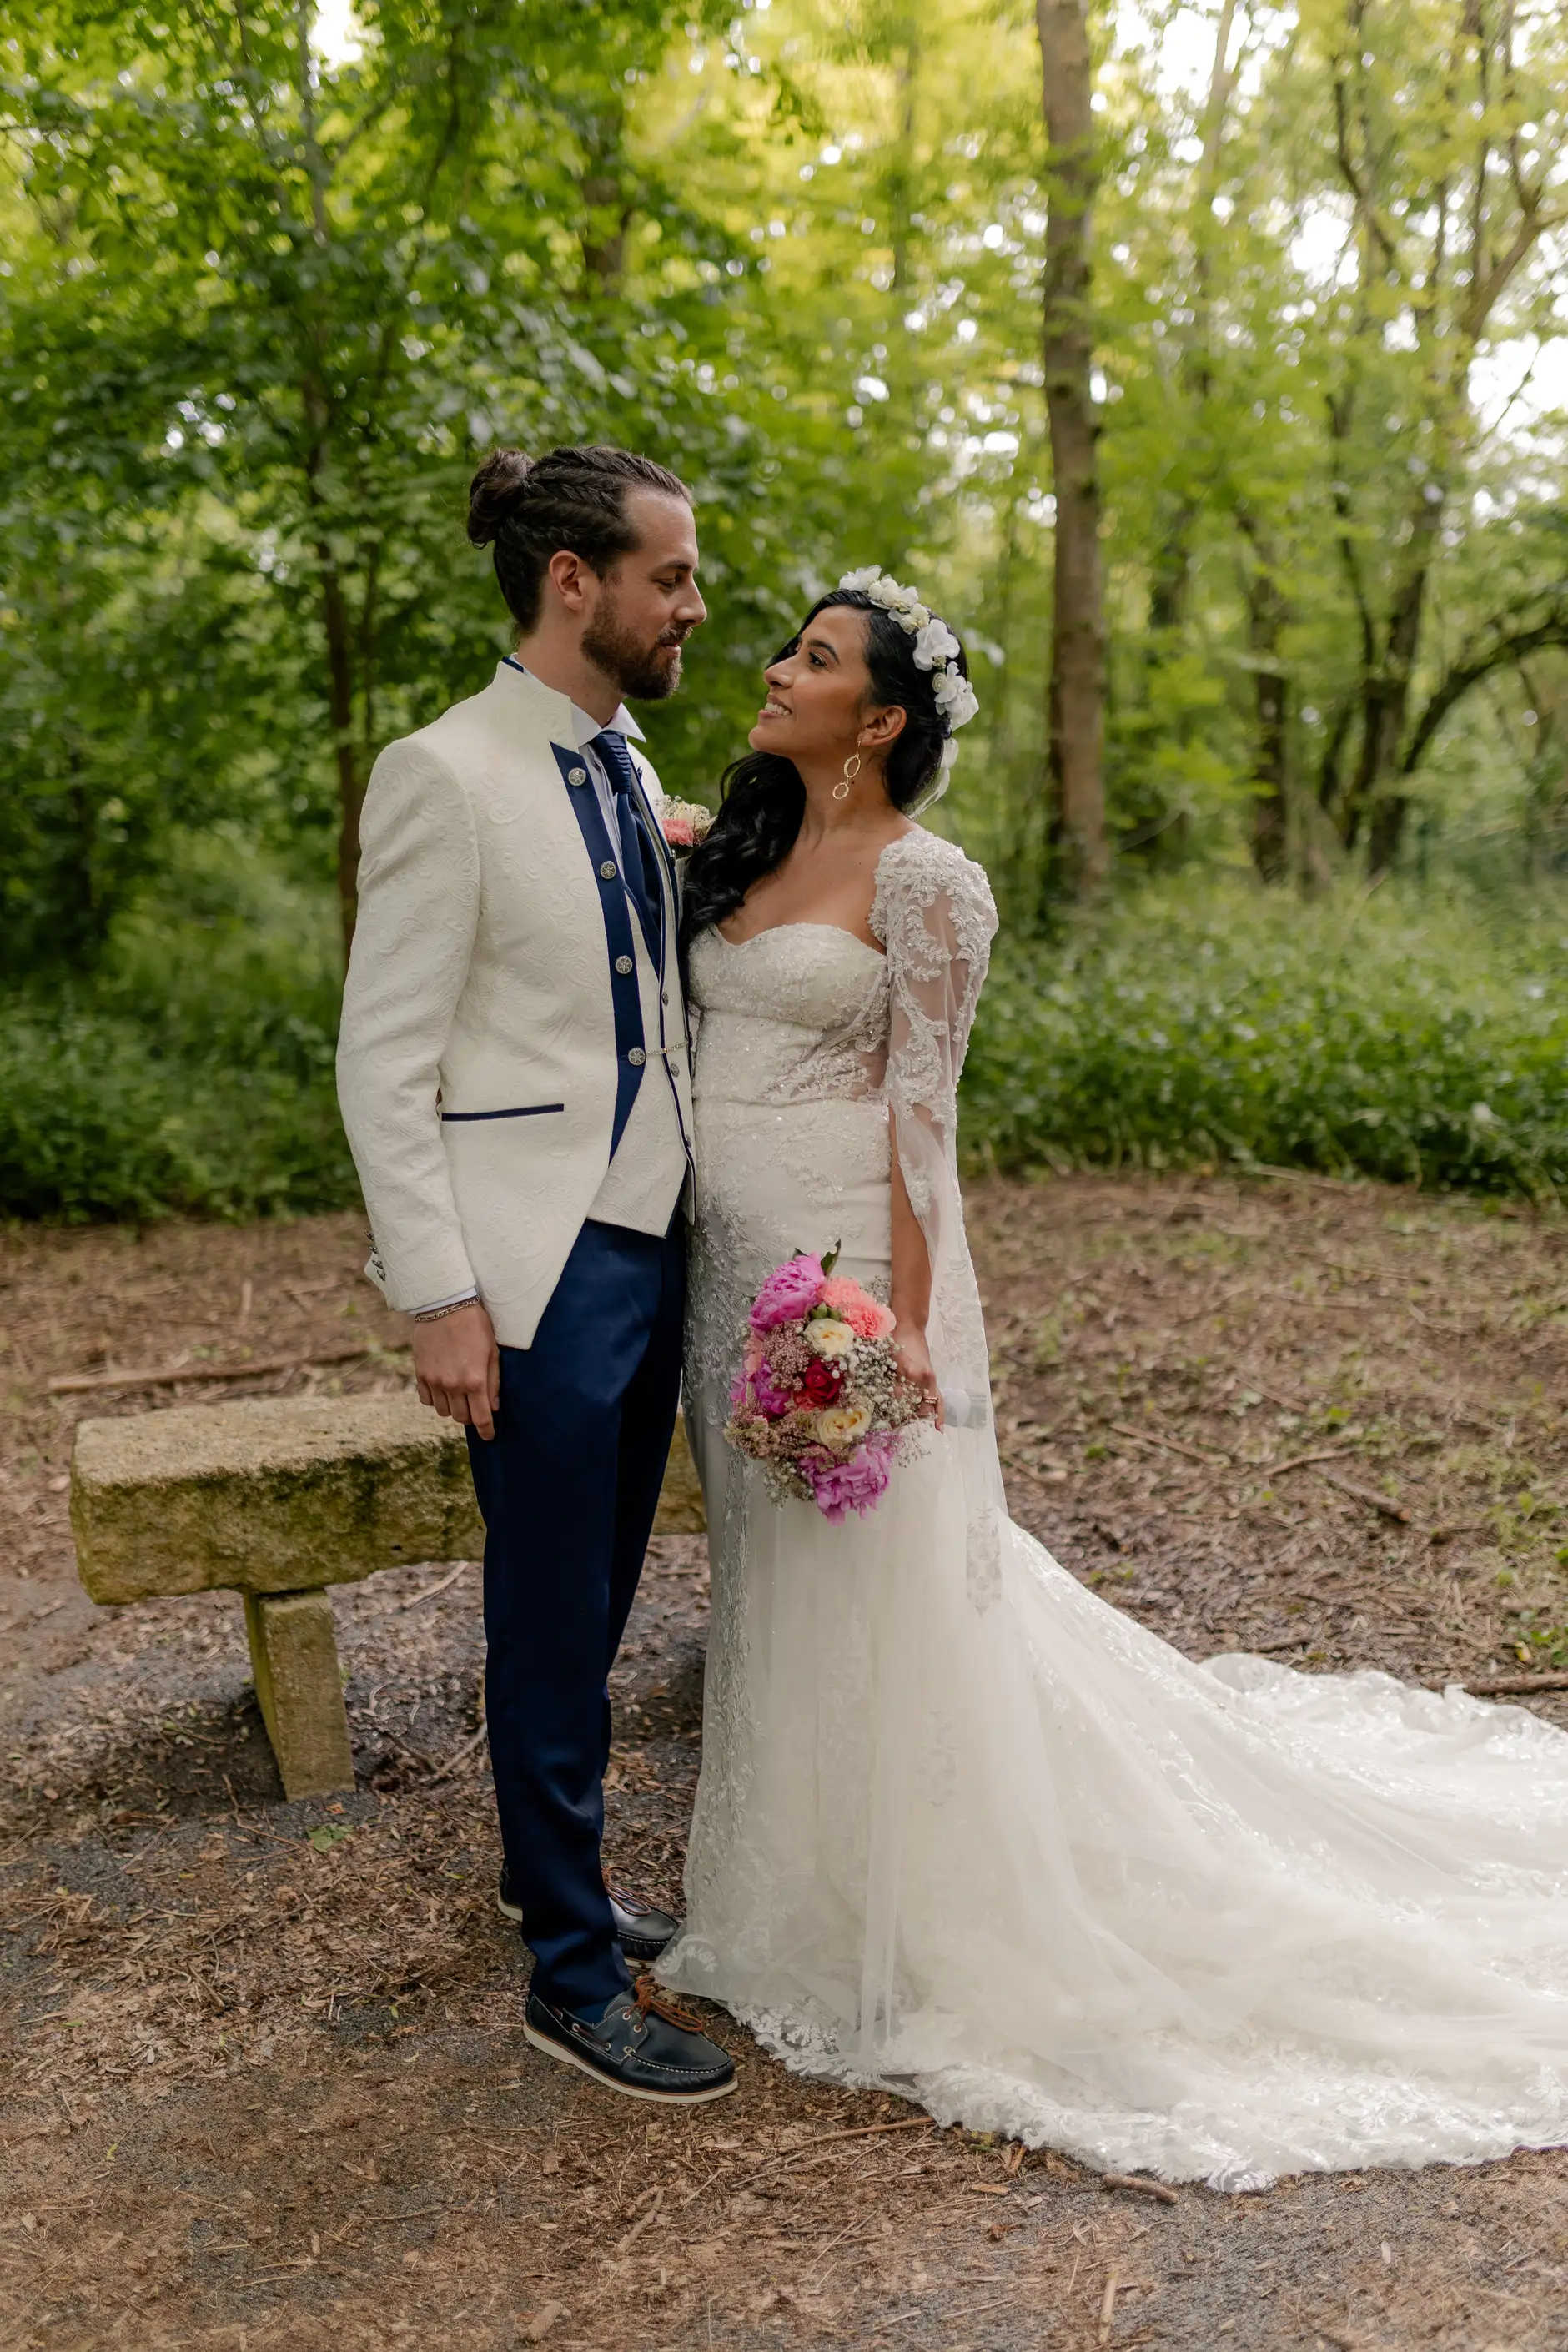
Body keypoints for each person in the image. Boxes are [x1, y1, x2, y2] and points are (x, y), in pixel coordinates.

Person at [657, 564, 1568, 2187]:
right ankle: (791, 1881)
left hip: (836, 1277)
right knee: (775, 1569)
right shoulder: (738, 844)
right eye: (784, 650)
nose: (774, 671)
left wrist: (906, 1326)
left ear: (875, 720)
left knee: (877, 1579)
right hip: (719, 1276)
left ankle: (913, 1907)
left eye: (809, 660)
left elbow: (922, 1114)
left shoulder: (930, 884)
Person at [338, 444, 735, 2106]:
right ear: (572, 581)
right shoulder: (445, 772)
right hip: (536, 1260)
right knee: (548, 1608)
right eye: (671, 578)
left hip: (659, 1232)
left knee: (595, 1599)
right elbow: (381, 1055)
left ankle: (542, 1876)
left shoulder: (626, 759)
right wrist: (439, 1295)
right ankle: (569, 1987)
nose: (695, 607)